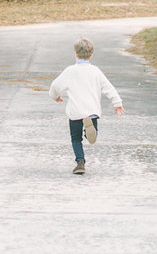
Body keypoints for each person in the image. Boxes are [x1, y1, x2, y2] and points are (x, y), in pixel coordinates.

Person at [49, 37, 124, 175]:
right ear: (91, 55)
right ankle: (90, 131)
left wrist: (55, 96)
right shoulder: (95, 71)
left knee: (76, 139)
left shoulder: (70, 71)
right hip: (92, 111)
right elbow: (108, 88)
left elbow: (55, 85)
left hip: (76, 111)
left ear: (75, 53)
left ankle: (80, 161)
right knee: (91, 134)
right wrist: (117, 103)